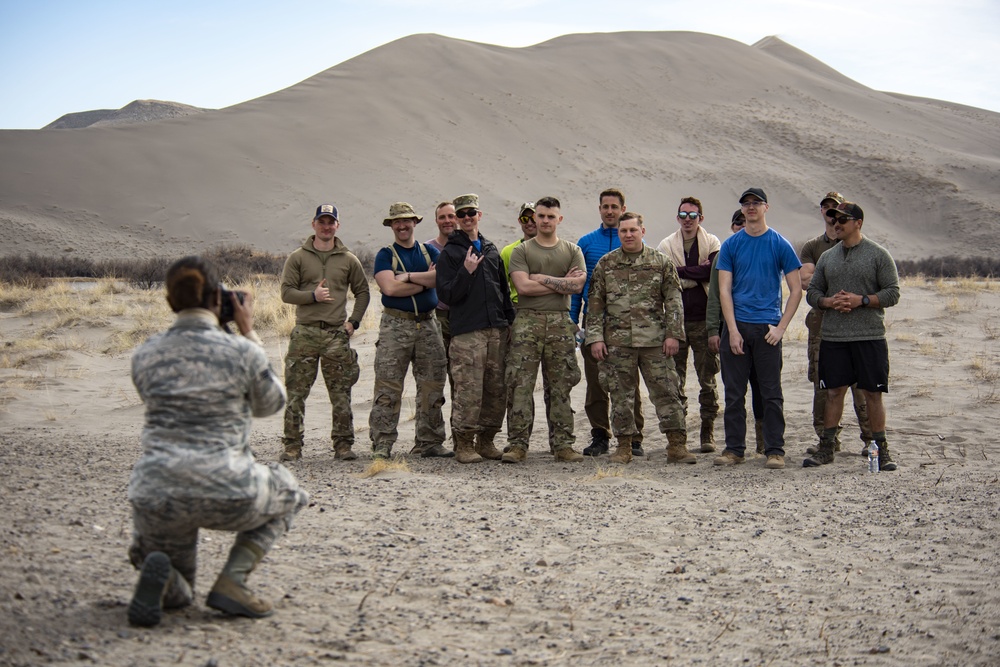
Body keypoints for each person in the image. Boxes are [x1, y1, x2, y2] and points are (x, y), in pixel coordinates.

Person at [127, 256, 308, 627]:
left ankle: (167, 583)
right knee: (289, 491)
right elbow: (272, 404)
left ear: (170, 301)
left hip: (158, 493)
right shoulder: (241, 352)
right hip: (228, 488)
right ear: (217, 298)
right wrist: (249, 333)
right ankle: (232, 581)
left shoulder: (146, 353)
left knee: (177, 585)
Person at [584, 213, 694, 464]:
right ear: (619, 233)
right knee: (621, 395)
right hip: (618, 342)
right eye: (623, 231)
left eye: (633, 230)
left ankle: (676, 445)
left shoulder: (660, 262)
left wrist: (674, 334)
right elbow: (595, 305)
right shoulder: (606, 264)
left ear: (643, 231)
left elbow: (674, 302)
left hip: (655, 341)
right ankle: (624, 446)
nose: (628, 235)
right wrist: (595, 338)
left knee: (667, 391)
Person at [803, 202, 900, 470]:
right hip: (834, 337)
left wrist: (862, 300)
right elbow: (812, 292)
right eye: (833, 219)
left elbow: (893, 292)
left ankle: (880, 450)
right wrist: (828, 302)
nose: (836, 223)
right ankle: (827, 448)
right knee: (834, 392)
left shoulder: (878, 255)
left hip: (869, 336)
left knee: (873, 394)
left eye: (843, 219)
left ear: (858, 223)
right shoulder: (827, 258)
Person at [714, 188, 802, 470]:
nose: (750, 208)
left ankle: (775, 450)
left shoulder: (779, 244)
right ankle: (734, 449)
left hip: (767, 328)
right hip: (737, 326)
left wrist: (781, 328)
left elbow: (796, 290)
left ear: (766, 207)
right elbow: (724, 290)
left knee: (770, 392)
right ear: (741, 210)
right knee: (734, 392)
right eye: (746, 204)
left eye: (756, 203)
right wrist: (732, 329)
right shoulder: (731, 245)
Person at [279, 204, 370, 462]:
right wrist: (312, 296)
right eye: (322, 221)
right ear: (314, 224)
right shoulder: (297, 257)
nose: (326, 226)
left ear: (337, 226)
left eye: (331, 222)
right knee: (296, 392)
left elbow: (363, 291)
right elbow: (286, 293)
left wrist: (354, 322)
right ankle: (292, 445)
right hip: (305, 333)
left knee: (340, 394)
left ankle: (343, 445)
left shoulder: (348, 259)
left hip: (335, 335)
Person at [502, 196, 587, 463]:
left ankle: (562, 444)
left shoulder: (572, 250)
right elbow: (523, 287)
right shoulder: (522, 251)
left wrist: (541, 278)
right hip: (527, 320)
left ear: (559, 219)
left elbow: (577, 286)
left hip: (561, 322)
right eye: (541, 216)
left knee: (560, 385)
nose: (545, 221)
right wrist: (561, 282)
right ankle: (517, 444)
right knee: (520, 384)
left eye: (551, 216)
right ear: (535, 218)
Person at [436, 193, 516, 463]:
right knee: (468, 389)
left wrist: (509, 323)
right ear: (456, 219)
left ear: (479, 215)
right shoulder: (451, 252)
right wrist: (466, 271)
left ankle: (487, 440)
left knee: (495, 389)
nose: (467, 218)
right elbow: (446, 295)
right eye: (462, 215)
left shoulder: (491, 249)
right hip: (468, 332)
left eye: (472, 213)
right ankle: (464, 444)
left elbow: (503, 290)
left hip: (496, 329)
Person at [370, 202, 450, 459]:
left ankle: (429, 441)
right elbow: (390, 289)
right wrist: (423, 282)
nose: (402, 225)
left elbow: (440, 278)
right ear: (391, 225)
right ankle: (382, 444)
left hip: (428, 323)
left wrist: (406, 277)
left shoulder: (429, 252)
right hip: (396, 325)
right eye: (397, 221)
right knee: (388, 386)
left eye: (406, 220)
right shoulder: (385, 254)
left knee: (432, 385)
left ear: (415, 222)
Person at [571, 188, 647, 458]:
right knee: (596, 382)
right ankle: (600, 434)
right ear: (600, 209)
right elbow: (578, 286)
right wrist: (573, 320)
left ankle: (634, 438)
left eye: (615, 206)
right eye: (605, 206)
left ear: (623, 207)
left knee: (629, 383)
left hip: (629, 324)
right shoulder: (587, 243)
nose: (610, 211)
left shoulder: (631, 238)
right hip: (594, 322)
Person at [800, 192, 873, 456]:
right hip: (822, 323)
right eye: (828, 209)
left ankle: (870, 439)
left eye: (838, 211)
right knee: (823, 380)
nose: (832, 215)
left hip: (857, 322)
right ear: (822, 213)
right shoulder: (813, 246)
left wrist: (836, 292)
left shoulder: (861, 247)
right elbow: (807, 282)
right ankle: (826, 439)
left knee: (862, 383)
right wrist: (835, 295)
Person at [657, 196, 721, 452]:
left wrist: (682, 272)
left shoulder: (712, 242)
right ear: (677, 218)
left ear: (700, 218)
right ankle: (679, 435)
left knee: (708, 380)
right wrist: (697, 270)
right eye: (683, 215)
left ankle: (708, 433)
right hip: (676, 324)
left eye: (692, 215)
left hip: (706, 322)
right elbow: (667, 277)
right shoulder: (666, 245)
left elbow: (712, 272)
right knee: (675, 382)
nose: (687, 220)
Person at [707, 211, 767, 456]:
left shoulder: (766, 249)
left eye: (747, 222)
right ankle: (735, 447)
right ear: (733, 227)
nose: (743, 226)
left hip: (762, 329)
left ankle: (764, 441)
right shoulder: (725, 254)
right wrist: (713, 329)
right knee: (734, 390)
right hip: (731, 331)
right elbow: (715, 296)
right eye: (739, 223)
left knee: (763, 388)